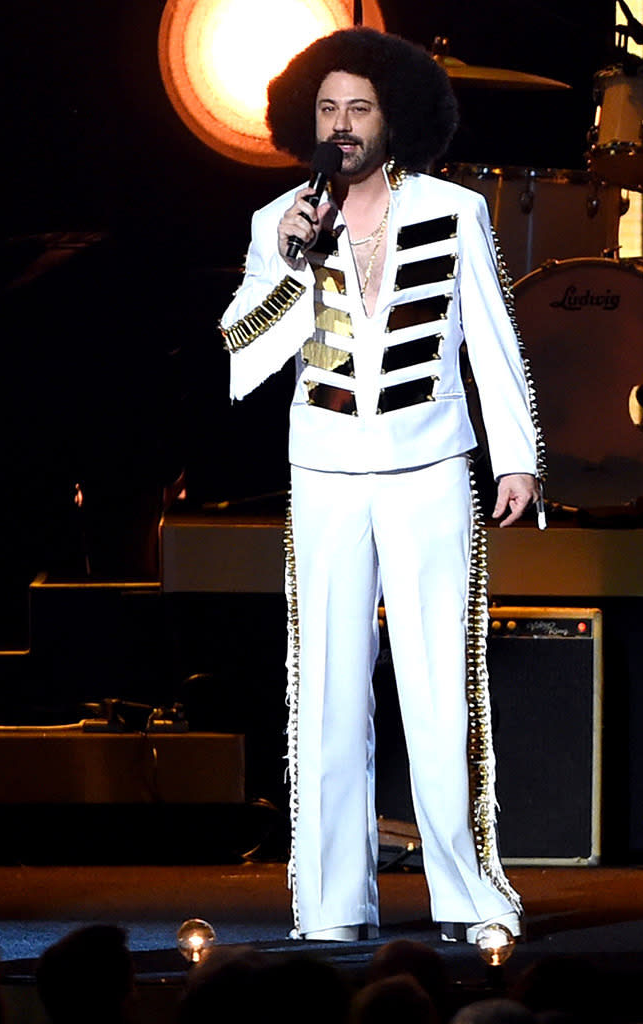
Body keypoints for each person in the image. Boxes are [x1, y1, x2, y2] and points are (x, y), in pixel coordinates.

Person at [220, 26, 544, 944]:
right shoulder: (278, 221)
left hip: (430, 468)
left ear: (394, 118)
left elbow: (490, 336)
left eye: (358, 107)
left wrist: (517, 455)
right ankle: (329, 908)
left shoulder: (453, 208)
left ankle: (467, 896)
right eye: (327, 109)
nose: (342, 124)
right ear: (306, 123)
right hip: (324, 475)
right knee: (324, 692)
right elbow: (245, 359)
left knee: (443, 688)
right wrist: (290, 260)